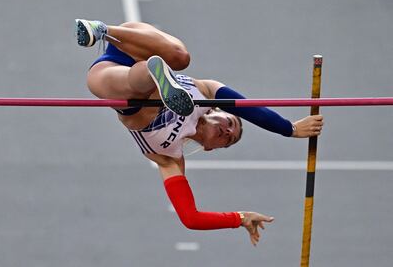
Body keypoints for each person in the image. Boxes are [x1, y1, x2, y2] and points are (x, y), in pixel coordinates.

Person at [75, 19, 324, 246]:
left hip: (116, 79)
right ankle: (103, 31)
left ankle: (154, 73)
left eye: (228, 138)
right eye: (229, 123)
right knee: (181, 58)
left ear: (210, 148)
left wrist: (239, 218)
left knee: (132, 93)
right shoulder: (205, 91)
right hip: (135, 41)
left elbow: (191, 218)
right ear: (217, 109)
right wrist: (288, 129)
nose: (227, 130)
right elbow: (251, 109)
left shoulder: (169, 157)